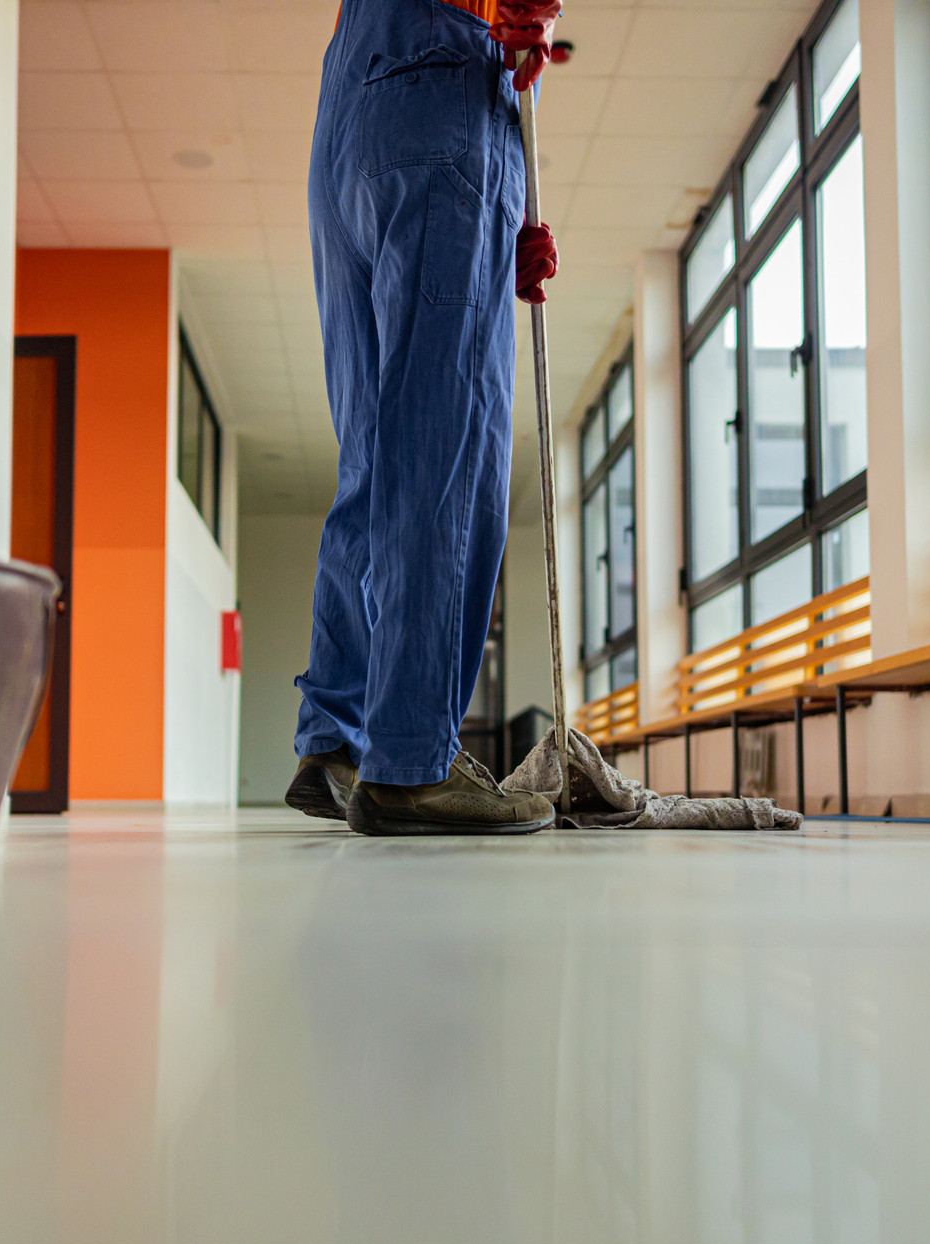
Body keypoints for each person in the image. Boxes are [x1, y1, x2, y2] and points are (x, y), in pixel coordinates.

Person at [284, 0, 564, 836]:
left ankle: (334, 740)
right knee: (446, 447)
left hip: (348, 117)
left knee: (373, 458)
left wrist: (504, 217)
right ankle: (411, 762)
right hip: (445, 85)